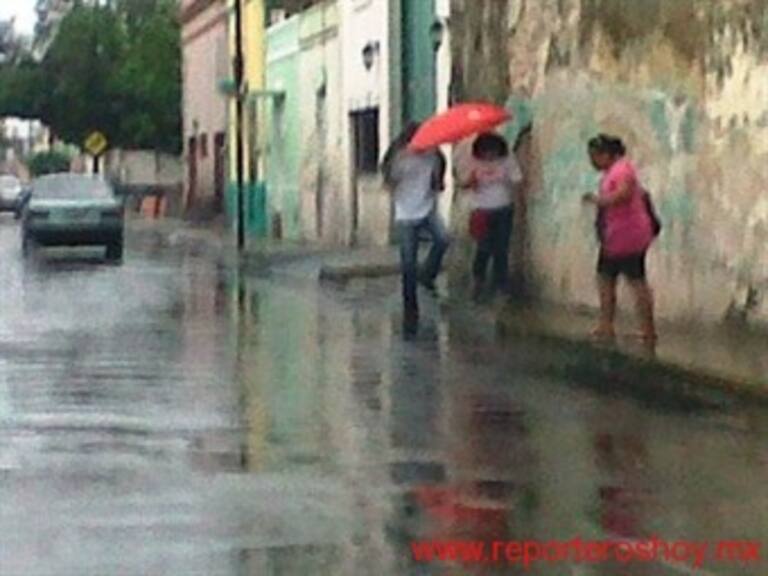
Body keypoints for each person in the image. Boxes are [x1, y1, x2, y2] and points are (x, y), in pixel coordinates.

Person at [582, 134, 657, 342]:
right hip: (616, 236)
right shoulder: (612, 172)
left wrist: (600, 201)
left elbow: (624, 193)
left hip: (627, 237)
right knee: (606, 278)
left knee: (634, 280)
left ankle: (647, 330)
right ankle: (607, 325)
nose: (592, 162)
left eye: (594, 156)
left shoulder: (623, 169)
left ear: (607, 154)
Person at [382, 123, 449, 333]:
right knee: (408, 263)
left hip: (427, 209)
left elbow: (438, 181)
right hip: (405, 215)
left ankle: (427, 274)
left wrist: (438, 178)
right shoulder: (400, 158)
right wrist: (393, 177)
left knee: (443, 239)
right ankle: (410, 306)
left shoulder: (433, 155)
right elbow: (388, 181)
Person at [461, 132, 522, 301]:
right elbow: (464, 184)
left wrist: (517, 204)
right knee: (483, 248)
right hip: (481, 210)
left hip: (503, 208)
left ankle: (501, 284)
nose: (490, 156)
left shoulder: (507, 160)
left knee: (501, 248)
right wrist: (471, 181)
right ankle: (478, 280)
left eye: (493, 151)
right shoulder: (472, 162)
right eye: (486, 152)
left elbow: (517, 180)